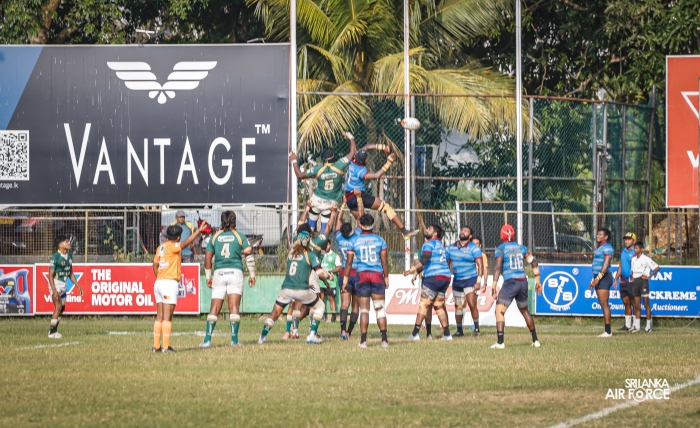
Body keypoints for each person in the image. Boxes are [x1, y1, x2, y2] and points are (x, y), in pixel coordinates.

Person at [258, 225, 332, 345]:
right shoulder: (310, 255)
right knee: (320, 306)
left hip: (286, 289)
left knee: (274, 314)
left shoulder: (290, 254)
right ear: (308, 241)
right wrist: (329, 276)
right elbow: (320, 273)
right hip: (301, 290)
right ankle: (312, 335)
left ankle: (262, 337)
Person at [199, 211, 256, 348]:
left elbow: (208, 258)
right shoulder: (240, 236)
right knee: (234, 307)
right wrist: (252, 275)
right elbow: (249, 256)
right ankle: (234, 340)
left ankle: (207, 340)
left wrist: (208, 277)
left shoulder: (215, 237)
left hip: (219, 273)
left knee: (214, 307)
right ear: (234, 221)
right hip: (235, 272)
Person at [344, 145, 418, 240]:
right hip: (357, 196)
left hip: (348, 199)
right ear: (365, 161)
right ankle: (404, 232)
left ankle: (357, 243)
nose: (368, 158)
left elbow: (366, 147)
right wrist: (389, 162)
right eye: (367, 158)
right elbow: (376, 175)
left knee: (362, 224)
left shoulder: (353, 161)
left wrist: (383, 147)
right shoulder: (360, 171)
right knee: (386, 207)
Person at [152, 223, 205, 353]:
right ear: (178, 237)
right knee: (167, 317)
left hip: (159, 282)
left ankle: (156, 346)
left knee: (159, 316)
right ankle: (165, 347)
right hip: (169, 283)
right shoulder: (174, 246)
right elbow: (186, 243)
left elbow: (154, 265)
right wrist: (198, 231)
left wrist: (160, 276)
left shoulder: (161, 247)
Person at [289, 132, 357, 232]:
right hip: (330, 203)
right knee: (324, 231)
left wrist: (294, 161)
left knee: (309, 229)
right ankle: (322, 242)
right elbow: (353, 152)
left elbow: (299, 175)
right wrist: (351, 137)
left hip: (316, 200)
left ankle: (307, 240)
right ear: (334, 158)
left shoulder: (318, 169)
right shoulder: (339, 165)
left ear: (323, 160)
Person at [490, 224, 542, 349]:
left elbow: (497, 267)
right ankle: (535, 341)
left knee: (499, 311)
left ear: (501, 235)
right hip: (523, 281)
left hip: (511, 282)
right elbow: (534, 263)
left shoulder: (500, 248)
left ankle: (500, 343)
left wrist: (494, 285)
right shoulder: (522, 247)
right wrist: (538, 281)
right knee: (525, 311)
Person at [342, 214, 390, 348]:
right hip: (377, 275)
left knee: (364, 310)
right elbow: (384, 261)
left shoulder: (354, 241)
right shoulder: (380, 240)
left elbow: (349, 263)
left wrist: (345, 280)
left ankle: (363, 341)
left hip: (362, 275)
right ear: (372, 225)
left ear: (361, 225)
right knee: (380, 309)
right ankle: (384, 340)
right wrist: (386, 277)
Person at [291, 203, 337, 337]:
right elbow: (328, 227)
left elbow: (300, 224)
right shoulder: (317, 242)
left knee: (298, 303)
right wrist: (333, 213)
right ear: (311, 233)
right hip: (312, 273)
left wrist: (307, 209)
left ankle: (295, 331)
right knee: (315, 303)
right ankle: (312, 331)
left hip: (298, 273)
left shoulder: (295, 241)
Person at [406, 224, 454, 341]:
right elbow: (446, 261)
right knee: (439, 306)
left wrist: (410, 270)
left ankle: (415, 334)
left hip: (433, 277)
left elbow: (425, 259)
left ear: (435, 233)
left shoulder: (429, 244)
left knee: (424, 305)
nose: (426, 230)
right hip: (445, 277)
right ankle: (447, 335)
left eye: (429, 229)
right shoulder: (442, 247)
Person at [335, 193, 363, 339]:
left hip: (344, 273)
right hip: (357, 273)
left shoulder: (339, 239)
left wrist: (343, 204)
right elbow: (360, 218)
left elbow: (338, 220)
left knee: (344, 303)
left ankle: (342, 331)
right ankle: (350, 332)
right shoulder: (357, 236)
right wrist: (357, 200)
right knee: (356, 305)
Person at [448, 226, 484, 337]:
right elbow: (447, 263)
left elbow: (480, 265)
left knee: (472, 304)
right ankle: (459, 331)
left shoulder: (474, 248)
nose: (463, 232)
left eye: (466, 231)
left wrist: (478, 281)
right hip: (457, 280)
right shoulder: (451, 247)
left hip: (470, 280)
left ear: (470, 235)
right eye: (462, 230)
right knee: (458, 306)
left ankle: (476, 329)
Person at [47, 235, 83, 339]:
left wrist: (78, 286)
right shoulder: (55, 257)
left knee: (62, 309)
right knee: (58, 307)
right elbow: (50, 275)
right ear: (60, 245)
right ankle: (52, 333)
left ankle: (54, 329)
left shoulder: (69, 257)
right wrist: (54, 290)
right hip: (56, 284)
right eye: (66, 241)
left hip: (63, 285)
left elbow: (70, 273)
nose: (69, 243)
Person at [589, 228, 614, 337]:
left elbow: (606, 264)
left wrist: (598, 279)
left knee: (604, 304)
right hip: (598, 276)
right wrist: (594, 279)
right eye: (597, 234)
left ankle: (608, 331)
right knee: (602, 303)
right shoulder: (600, 247)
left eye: (600, 234)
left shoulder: (607, 247)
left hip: (604, 277)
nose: (597, 236)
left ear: (606, 237)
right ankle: (607, 331)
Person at [630, 241, 660, 333]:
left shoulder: (646, 259)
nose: (635, 250)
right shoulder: (633, 259)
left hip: (643, 282)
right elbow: (632, 271)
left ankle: (648, 326)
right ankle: (637, 326)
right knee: (636, 305)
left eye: (637, 248)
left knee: (646, 304)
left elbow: (657, 267)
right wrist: (632, 277)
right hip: (636, 281)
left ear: (641, 249)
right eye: (634, 248)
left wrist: (649, 276)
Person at [614, 232, 636, 331]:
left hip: (632, 281)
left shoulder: (636, 252)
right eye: (625, 239)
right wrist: (616, 279)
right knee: (626, 302)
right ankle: (627, 325)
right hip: (623, 281)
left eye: (629, 239)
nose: (626, 241)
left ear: (634, 241)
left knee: (634, 303)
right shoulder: (623, 252)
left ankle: (635, 325)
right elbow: (620, 266)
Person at [320, 241, 342, 322]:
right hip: (321, 281)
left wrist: (331, 271)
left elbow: (339, 267)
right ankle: (322, 315)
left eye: (328, 245)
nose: (326, 246)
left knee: (331, 298)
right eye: (325, 245)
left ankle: (333, 316)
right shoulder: (321, 255)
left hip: (331, 281)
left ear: (330, 245)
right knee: (321, 298)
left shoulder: (335, 256)